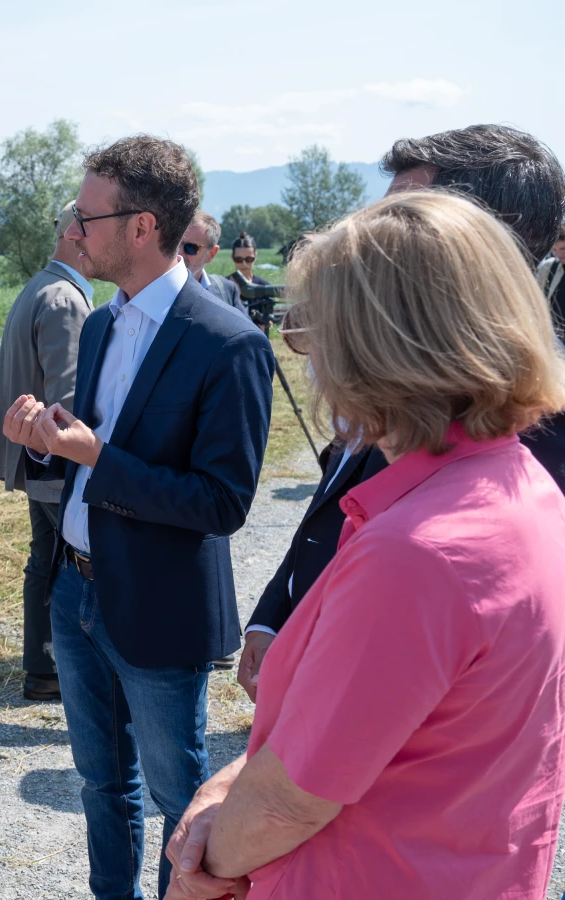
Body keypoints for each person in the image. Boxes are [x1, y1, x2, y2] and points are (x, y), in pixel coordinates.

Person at [164, 190, 565, 900]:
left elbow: (290, 803)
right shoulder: (521, 486)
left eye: (314, 331)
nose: (308, 355)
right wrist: (232, 782)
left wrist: (199, 870)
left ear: (374, 350)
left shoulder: (418, 552)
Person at [1, 134, 275, 900]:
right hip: (75, 592)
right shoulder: (99, 324)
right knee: (101, 786)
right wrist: (49, 445)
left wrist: (96, 456)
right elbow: (91, 457)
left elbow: (221, 503)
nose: (74, 229)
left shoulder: (229, 345)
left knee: (179, 804)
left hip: (159, 606)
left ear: (143, 227)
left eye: (87, 217)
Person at [238, 123, 565, 701]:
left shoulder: (539, 435)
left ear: (468, 242)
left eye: (399, 222)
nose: (368, 242)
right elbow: (334, 501)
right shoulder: (401, 384)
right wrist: (275, 615)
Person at [0, 200, 92, 703]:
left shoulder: (41, 286)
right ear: (75, 235)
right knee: (72, 564)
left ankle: (43, 670)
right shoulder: (66, 299)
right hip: (56, 464)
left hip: (36, 459)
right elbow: (67, 400)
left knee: (44, 559)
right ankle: (62, 669)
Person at [179, 211, 242, 314]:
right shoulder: (152, 288)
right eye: (175, 245)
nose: (179, 253)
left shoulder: (226, 291)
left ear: (211, 254)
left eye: (190, 247)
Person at [536, 220, 565, 336]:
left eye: (563, 249)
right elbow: (536, 299)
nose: (559, 255)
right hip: (553, 334)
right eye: (554, 250)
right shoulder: (548, 267)